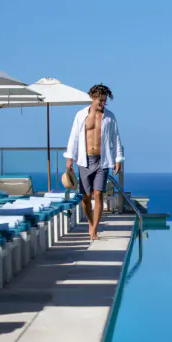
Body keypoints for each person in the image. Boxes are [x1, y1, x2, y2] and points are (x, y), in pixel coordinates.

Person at [64, 84, 124, 241]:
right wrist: (70, 157)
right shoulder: (80, 115)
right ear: (93, 97)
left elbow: (116, 138)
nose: (103, 104)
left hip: (102, 161)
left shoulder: (110, 117)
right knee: (86, 197)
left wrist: (118, 159)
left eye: (105, 101)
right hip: (84, 160)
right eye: (100, 101)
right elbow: (74, 137)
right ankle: (91, 223)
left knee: (98, 194)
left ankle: (94, 229)